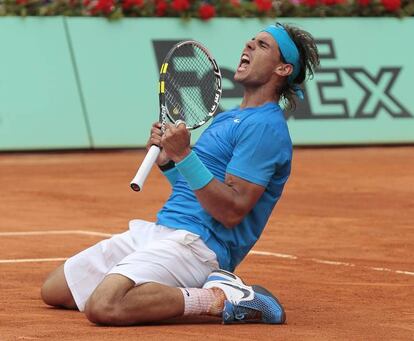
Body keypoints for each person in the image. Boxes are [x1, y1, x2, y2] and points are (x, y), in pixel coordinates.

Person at [41, 23, 319, 326]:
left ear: (283, 68)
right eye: (251, 40)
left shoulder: (265, 128)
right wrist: (169, 161)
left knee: (105, 305)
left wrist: (185, 154)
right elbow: (195, 192)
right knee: (55, 290)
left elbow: (232, 211)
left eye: (263, 45)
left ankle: (223, 298)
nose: (249, 45)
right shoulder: (229, 118)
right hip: (164, 230)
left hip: (200, 246)